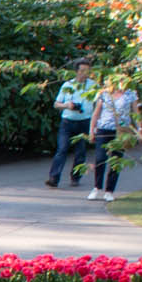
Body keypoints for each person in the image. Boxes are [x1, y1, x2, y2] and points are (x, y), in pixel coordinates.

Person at [84, 77, 141, 202]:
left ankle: (109, 191)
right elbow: (96, 113)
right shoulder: (104, 94)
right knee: (100, 159)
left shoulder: (130, 94)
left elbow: (136, 113)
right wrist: (91, 130)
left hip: (121, 131)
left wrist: (140, 129)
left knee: (116, 161)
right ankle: (97, 187)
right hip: (104, 129)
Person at [45, 57, 95, 187]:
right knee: (62, 149)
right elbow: (56, 104)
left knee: (80, 152)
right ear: (76, 71)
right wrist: (67, 105)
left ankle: (75, 177)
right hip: (68, 121)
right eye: (82, 70)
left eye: (87, 70)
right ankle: (53, 178)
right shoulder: (68, 85)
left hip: (84, 121)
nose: (85, 73)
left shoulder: (93, 85)